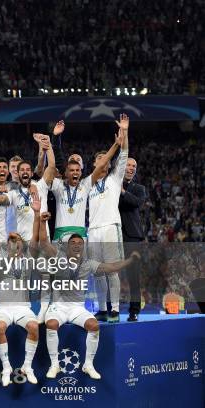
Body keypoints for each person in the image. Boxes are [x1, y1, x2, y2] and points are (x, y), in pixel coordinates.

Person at [37, 213, 141, 380]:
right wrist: (42, 223)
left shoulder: (88, 264)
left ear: (83, 247)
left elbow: (111, 267)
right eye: (73, 243)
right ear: (67, 246)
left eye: (80, 243)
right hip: (59, 307)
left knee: (94, 325)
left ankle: (88, 365)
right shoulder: (59, 257)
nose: (77, 246)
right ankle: (54, 364)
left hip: (77, 308)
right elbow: (44, 243)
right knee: (51, 324)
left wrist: (130, 261)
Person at [0, 195, 40, 386]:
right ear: (6, 245)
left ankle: (28, 366)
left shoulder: (28, 260)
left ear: (21, 245)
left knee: (34, 327)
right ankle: (7, 367)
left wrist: (37, 213)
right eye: (10, 240)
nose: (13, 243)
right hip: (3, 308)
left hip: (23, 307)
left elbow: (35, 238)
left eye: (17, 241)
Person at [89, 114, 130, 323]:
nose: (103, 161)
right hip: (92, 230)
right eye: (99, 159)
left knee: (112, 270)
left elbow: (123, 155)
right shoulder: (88, 184)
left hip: (110, 228)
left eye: (105, 158)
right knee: (97, 272)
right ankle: (103, 309)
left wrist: (124, 131)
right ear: (95, 164)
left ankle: (114, 309)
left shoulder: (114, 179)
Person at [48, 131, 124, 242]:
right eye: (71, 169)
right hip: (60, 233)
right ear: (65, 171)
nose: (74, 171)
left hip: (81, 233)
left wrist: (116, 145)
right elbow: (54, 164)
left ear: (82, 169)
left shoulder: (86, 184)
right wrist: (51, 142)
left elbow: (102, 165)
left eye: (77, 169)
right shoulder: (58, 185)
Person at [119, 156, 147, 321]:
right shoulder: (111, 184)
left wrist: (121, 191)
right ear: (122, 167)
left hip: (132, 236)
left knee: (133, 276)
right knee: (111, 273)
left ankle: (134, 310)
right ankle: (110, 309)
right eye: (128, 165)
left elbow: (136, 202)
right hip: (113, 234)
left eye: (134, 166)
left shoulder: (139, 188)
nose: (131, 168)